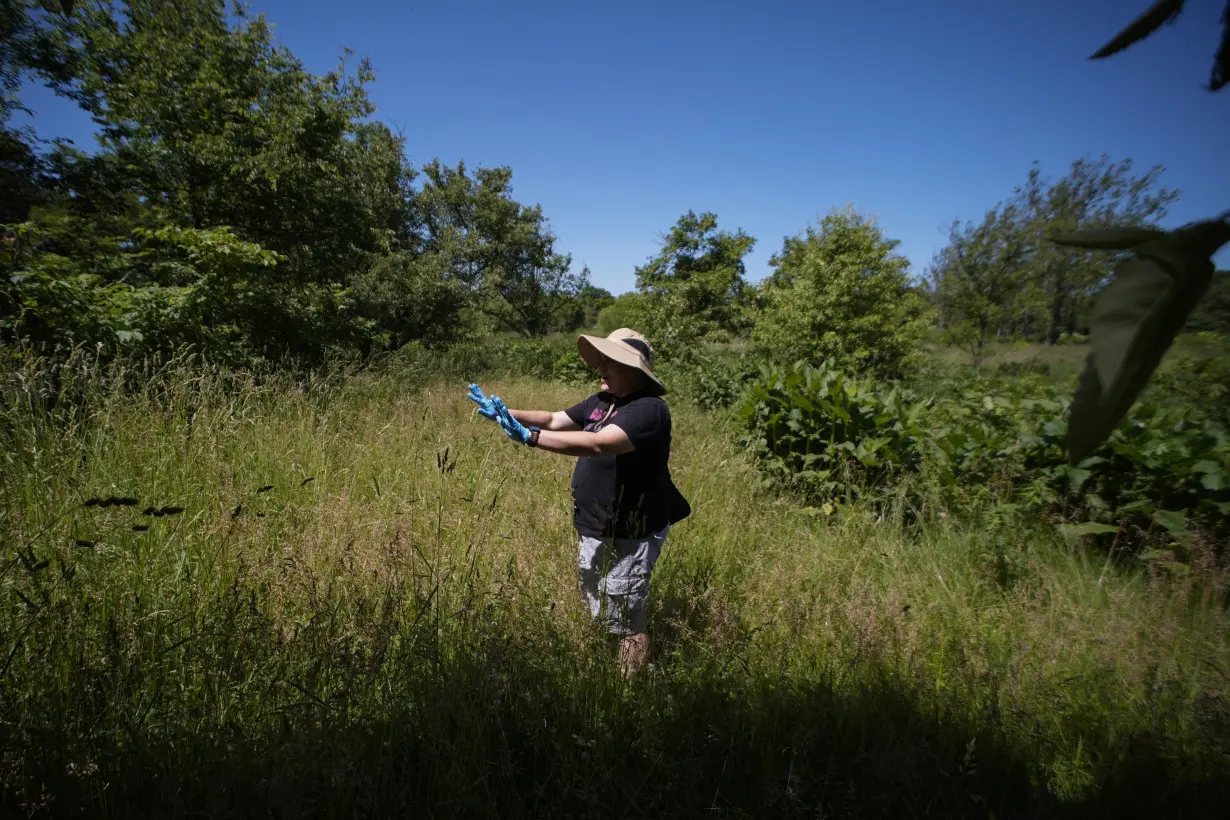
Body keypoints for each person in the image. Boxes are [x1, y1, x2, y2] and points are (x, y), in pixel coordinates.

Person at [467, 327, 689, 677]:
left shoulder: (649, 410)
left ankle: (628, 690)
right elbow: (556, 418)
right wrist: (507, 412)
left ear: (632, 370)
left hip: (632, 528)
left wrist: (531, 438)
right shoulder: (602, 401)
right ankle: (615, 658)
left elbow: (600, 444)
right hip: (595, 523)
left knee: (628, 611)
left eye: (608, 361)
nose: (599, 367)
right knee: (598, 594)